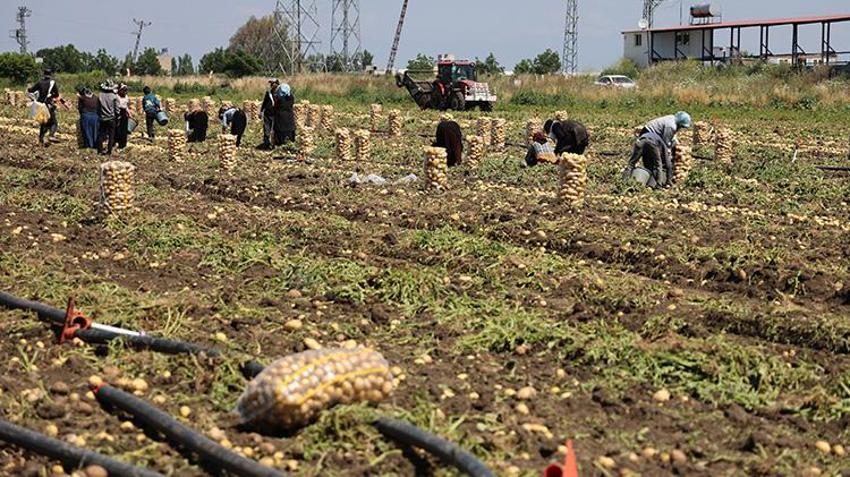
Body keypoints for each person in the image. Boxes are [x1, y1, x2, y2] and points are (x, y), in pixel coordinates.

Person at [625, 111, 692, 189]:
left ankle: (625, 181)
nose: (681, 128)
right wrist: (668, 154)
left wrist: (677, 144)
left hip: (643, 138)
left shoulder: (671, 119)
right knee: (659, 163)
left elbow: (672, 137)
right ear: (679, 123)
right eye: (682, 126)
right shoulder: (671, 126)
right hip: (652, 140)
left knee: (633, 162)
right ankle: (659, 185)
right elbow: (666, 142)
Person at [27, 69, 66, 145]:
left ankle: (41, 140)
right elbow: (57, 95)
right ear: (51, 74)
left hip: (39, 106)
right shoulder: (52, 83)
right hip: (47, 105)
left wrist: (28, 87)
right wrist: (52, 96)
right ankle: (51, 135)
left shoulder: (39, 82)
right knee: (54, 123)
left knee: (43, 123)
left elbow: (31, 90)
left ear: (43, 74)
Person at [96, 80, 119, 155]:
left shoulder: (100, 95)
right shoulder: (114, 96)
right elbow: (117, 109)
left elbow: (98, 108)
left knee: (101, 134)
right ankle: (109, 151)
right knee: (111, 135)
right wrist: (117, 116)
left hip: (102, 118)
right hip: (111, 118)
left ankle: (100, 150)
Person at [258, 79, 278, 149]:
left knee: (275, 129)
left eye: (273, 84)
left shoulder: (279, 94)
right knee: (266, 128)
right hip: (267, 113)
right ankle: (266, 143)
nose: (272, 86)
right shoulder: (268, 93)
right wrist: (261, 111)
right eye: (271, 84)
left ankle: (274, 144)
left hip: (275, 114)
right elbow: (264, 102)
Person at [115, 84, 132, 150]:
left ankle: (123, 144)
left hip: (124, 112)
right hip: (118, 112)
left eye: (125, 91)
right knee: (118, 128)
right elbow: (117, 106)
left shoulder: (126, 97)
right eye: (124, 91)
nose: (125, 92)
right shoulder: (117, 97)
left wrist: (129, 113)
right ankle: (118, 141)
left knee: (124, 129)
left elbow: (126, 106)